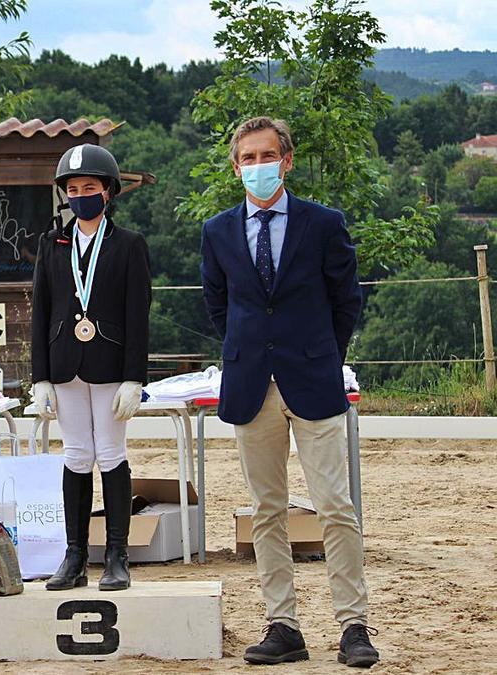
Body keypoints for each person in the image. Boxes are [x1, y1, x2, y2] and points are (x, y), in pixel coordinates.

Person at [199, 116, 377, 668]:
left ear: (287, 160)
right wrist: (250, 350)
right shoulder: (218, 231)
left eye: (266, 155)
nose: (257, 166)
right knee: (266, 511)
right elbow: (219, 306)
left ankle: (353, 625)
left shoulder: (324, 223)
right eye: (247, 158)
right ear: (235, 166)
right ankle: (283, 625)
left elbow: (346, 301)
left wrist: (322, 353)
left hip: (315, 378)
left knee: (335, 506)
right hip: (251, 382)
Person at [30, 144, 151, 592]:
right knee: (76, 455)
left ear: (108, 193)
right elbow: (41, 311)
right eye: (74, 188)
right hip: (65, 364)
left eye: (90, 188)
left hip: (110, 364)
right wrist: (39, 376)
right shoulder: (52, 244)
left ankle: (117, 554)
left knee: (111, 454)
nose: (81, 194)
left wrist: (135, 377)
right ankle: (75, 554)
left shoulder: (128, 245)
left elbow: (139, 314)